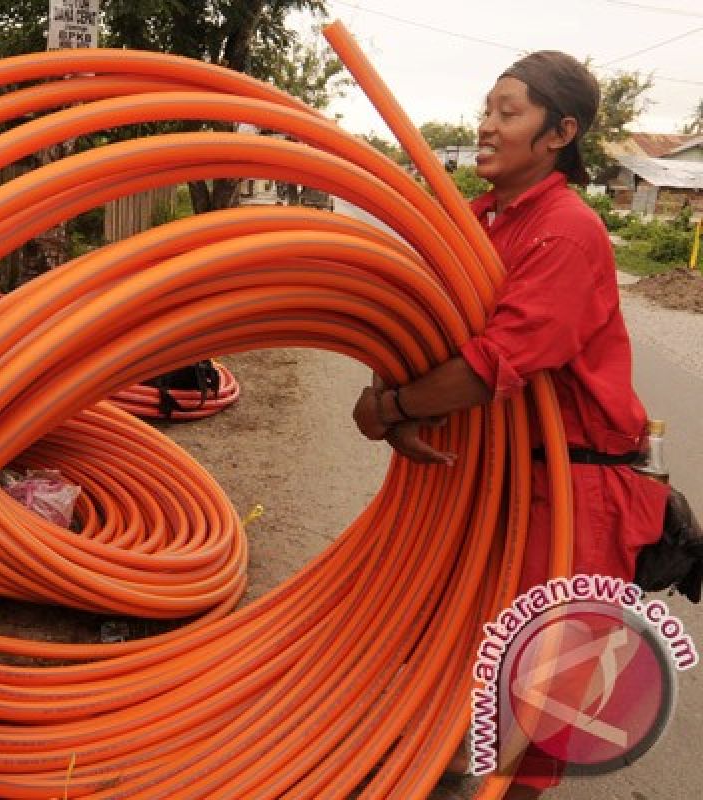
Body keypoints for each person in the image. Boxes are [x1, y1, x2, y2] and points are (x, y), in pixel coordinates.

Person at [351, 51, 669, 798]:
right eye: (486, 108)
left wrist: (391, 409)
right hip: (502, 476)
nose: (486, 126)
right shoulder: (481, 219)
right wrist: (385, 384)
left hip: (574, 489)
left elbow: (498, 360)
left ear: (560, 132)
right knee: (451, 649)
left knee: (531, 692)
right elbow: (415, 312)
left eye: (508, 112)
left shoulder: (565, 230)